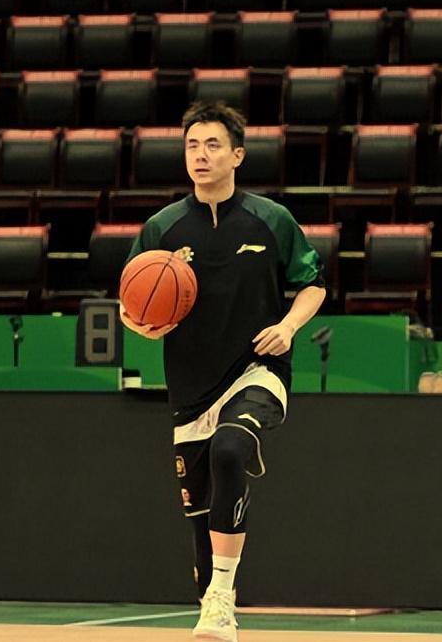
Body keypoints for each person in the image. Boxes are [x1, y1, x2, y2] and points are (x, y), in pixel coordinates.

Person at [122, 101, 326, 641]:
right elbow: (130, 304)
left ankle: (223, 593)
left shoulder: (271, 219)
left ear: (237, 155)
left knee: (231, 448)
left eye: (213, 145)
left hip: (258, 370)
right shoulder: (161, 228)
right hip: (191, 385)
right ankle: (213, 605)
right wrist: (142, 324)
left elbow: (314, 284)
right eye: (192, 145)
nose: (201, 155)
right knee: (200, 522)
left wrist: (288, 326)